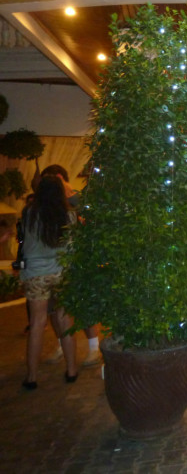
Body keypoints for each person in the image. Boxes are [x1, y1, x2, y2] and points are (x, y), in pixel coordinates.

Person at [40, 164, 102, 367]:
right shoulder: (47, 205)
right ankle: (62, 345)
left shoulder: (75, 198)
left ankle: (93, 348)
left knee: (81, 305)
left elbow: (88, 214)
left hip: (75, 262)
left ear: (59, 177)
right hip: (52, 265)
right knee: (54, 309)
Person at [20, 175, 78, 389]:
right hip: (61, 272)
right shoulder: (68, 215)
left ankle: (32, 377)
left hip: (35, 274)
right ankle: (71, 370)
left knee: (37, 323)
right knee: (64, 319)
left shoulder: (29, 213)